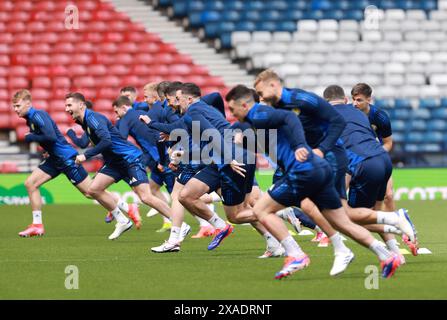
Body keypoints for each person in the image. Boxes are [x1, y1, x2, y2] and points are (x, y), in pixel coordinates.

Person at [225, 84, 402, 280]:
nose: (231, 113)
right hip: (319, 168)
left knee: (262, 210)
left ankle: (296, 254)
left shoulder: (259, 114)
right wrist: (242, 141)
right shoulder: (257, 121)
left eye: (232, 109)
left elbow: (289, 119)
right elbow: (272, 142)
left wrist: (299, 144)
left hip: (303, 171)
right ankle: (384, 252)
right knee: (340, 220)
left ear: (244, 104)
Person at [12, 90, 133, 238]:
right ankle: (37, 225)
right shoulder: (30, 118)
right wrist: (48, 150)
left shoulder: (37, 115)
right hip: (54, 158)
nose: (16, 109)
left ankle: (126, 208)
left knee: (91, 192)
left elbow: (50, 136)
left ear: (28, 103)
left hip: (65, 159)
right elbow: (52, 139)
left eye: (18, 105)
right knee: (30, 184)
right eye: (14, 106)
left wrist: (31, 136)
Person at [323, 85, 418, 256]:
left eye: (359, 99)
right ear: (346, 99)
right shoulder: (356, 113)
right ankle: (395, 252)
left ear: (369, 100)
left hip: (366, 161)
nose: (355, 103)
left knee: (352, 216)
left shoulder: (378, 116)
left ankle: (396, 220)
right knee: (371, 212)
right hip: (374, 161)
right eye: (353, 99)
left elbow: (388, 142)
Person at [65, 92, 173, 240]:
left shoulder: (93, 119)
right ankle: (122, 220)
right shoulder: (84, 121)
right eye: (65, 105)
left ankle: (178, 223)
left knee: (146, 197)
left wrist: (85, 155)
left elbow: (106, 141)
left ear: (81, 105)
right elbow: (88, 142)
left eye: (69, 105)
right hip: (115, 163)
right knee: (93, 190)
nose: (66, 109)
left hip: (130, 159)